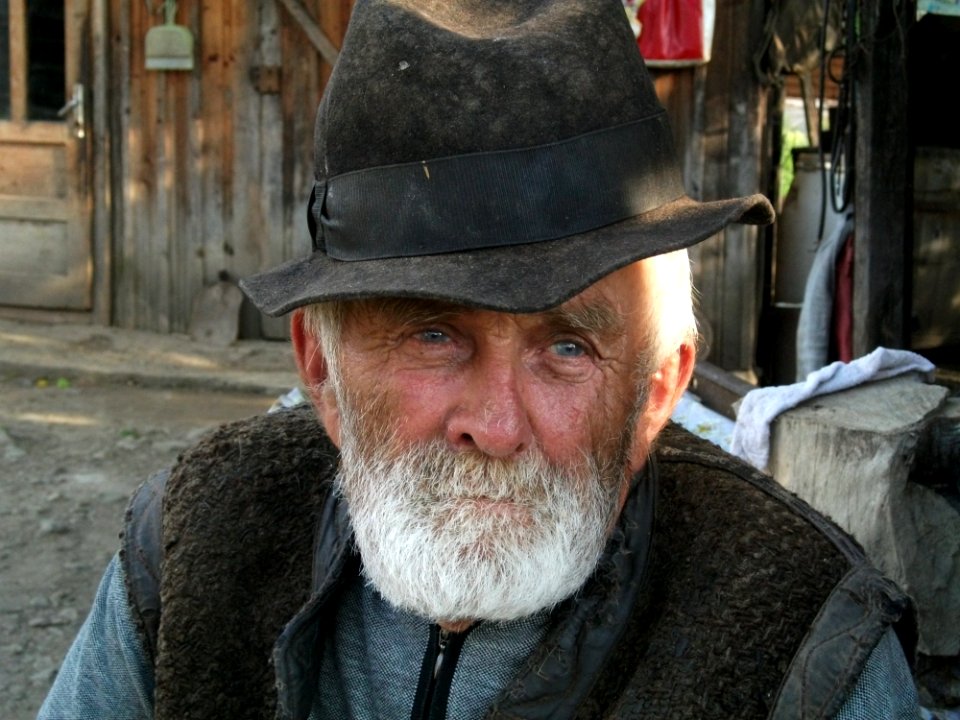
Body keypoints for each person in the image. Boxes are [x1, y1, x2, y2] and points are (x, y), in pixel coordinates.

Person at [40, 1, 919, 718]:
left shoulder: (801, 643)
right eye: (433, 336)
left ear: (657, 389)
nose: (495, 427)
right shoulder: (203, 539)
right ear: (321, 370)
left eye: (567, 348)